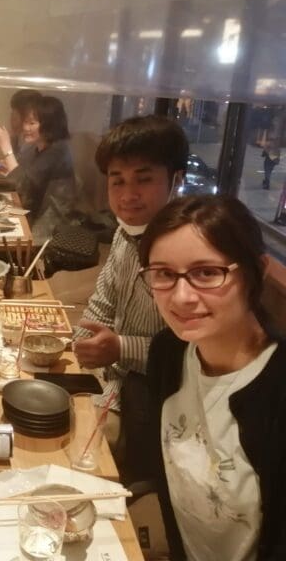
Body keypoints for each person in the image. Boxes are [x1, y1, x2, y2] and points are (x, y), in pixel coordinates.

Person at [139, 195, 286, 561]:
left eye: (206, 273)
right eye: (164, 274)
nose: (182, 297)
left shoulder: (276, 389)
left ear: (257, 271)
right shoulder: (168, 353)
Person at [72, 115, 188, 481]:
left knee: (68, 447)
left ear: (176, 180)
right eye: (117, 180)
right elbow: (101, 303)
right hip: (113, 383)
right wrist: (81, 344)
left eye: (144, 179)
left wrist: (120, 348)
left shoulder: (185, 251)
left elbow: (191, 351)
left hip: (158, 403)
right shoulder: (126, 234)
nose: (127, 195)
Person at [0, 95, 76, 242]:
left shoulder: (57, 151)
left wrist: (6, 148)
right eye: (25, 122)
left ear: (49, 124)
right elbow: (18, 173)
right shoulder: (37, 147)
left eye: (31, 123)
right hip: (33, 213)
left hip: (49, 228)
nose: (25, 128)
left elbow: (22, 184)